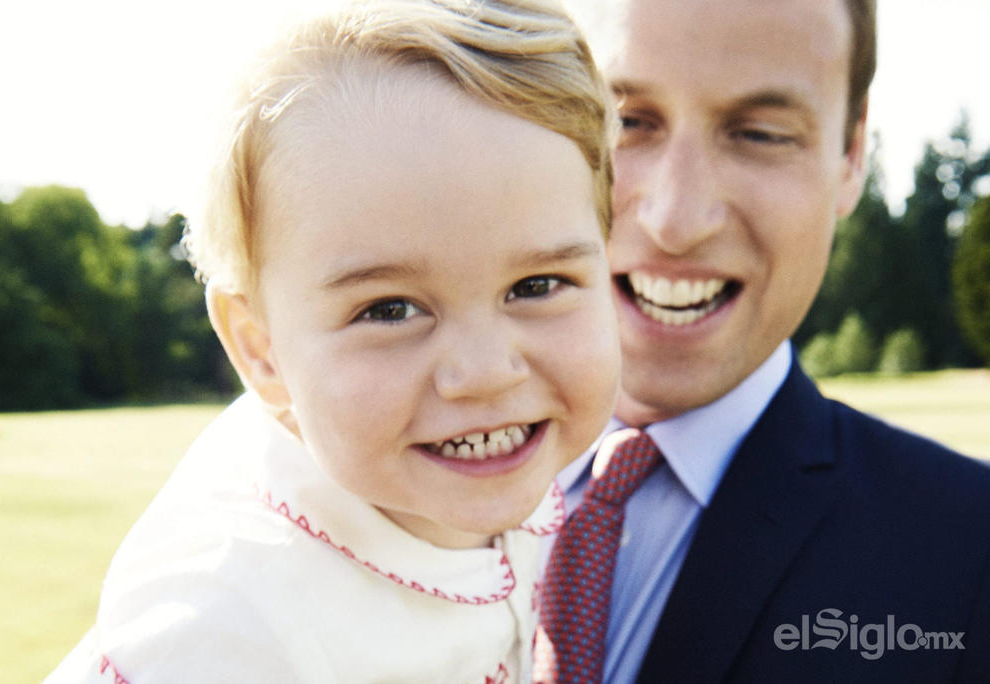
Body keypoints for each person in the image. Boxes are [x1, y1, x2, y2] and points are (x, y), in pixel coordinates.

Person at [44, 0, 621, 681]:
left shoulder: (513, 485)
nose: (486, 372)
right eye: (390, 309)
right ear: (261, 351)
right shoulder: (220, 634)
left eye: (537, 286)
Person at [541, 0, 990, 681]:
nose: (676, 219)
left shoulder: (969, 558)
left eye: (760, 134)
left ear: (851, 153)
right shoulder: (354, 488)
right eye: (625, 122)